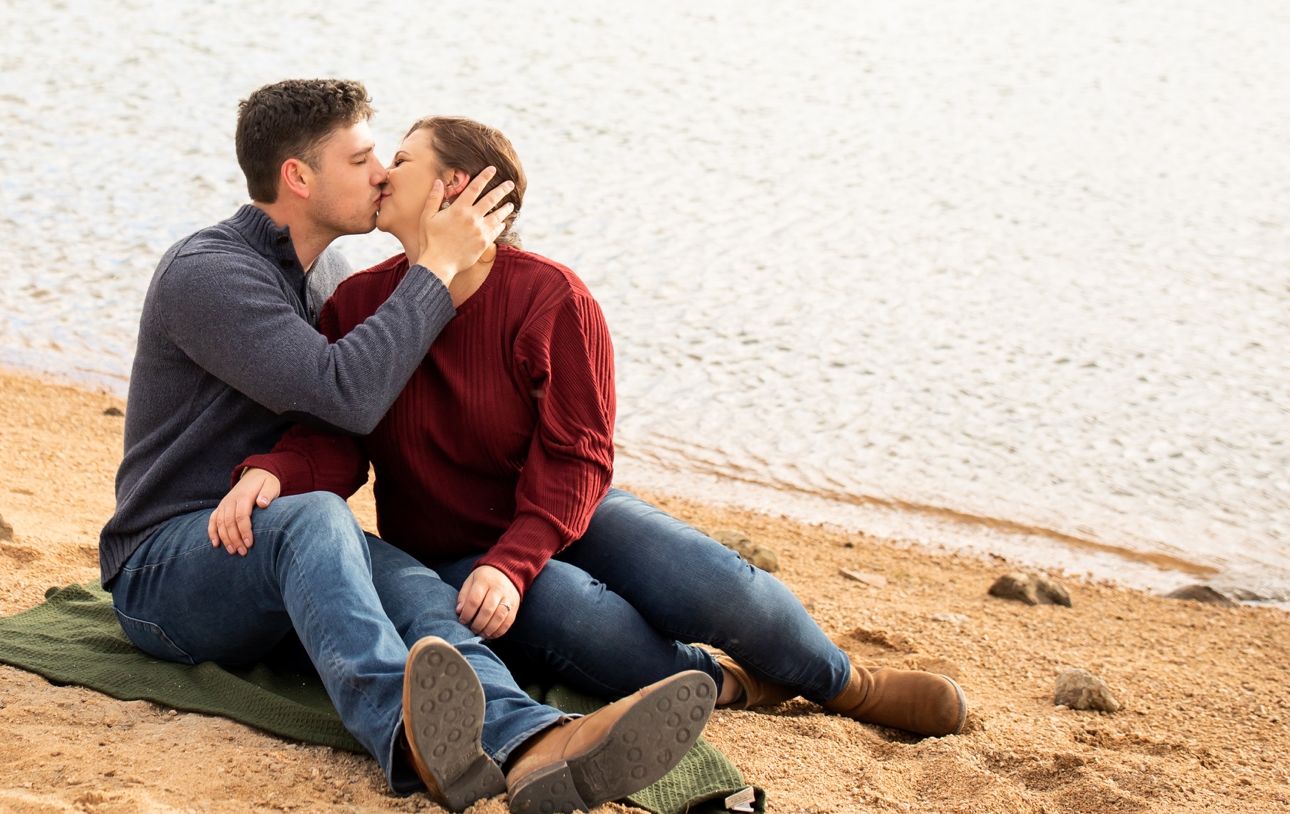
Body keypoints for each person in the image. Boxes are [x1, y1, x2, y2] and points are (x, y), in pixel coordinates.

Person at [215, 115, 967, 739]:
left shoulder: (551, 298)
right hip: (445, 549)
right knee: (579, 613)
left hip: (561, 513)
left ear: (456, 188)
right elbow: (341, 435)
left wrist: (513, 561)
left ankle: (847, 683)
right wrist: (274, 469)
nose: (381, 173)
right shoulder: (358, 300)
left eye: (401, 160)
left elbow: (579, 456)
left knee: (716, 582)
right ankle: (727, 684)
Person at [101, 80, 716, 814]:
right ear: (299, 176)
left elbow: (339, 436)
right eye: (362, 158)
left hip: (277, 540)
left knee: (418, 585)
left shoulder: (328, 276)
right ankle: (404, 735)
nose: (382, 175)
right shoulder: (210, 273)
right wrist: (438, 266)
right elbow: (347, 395)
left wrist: (279, 467)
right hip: (168, 566)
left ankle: (530, 742)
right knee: (318, 519)